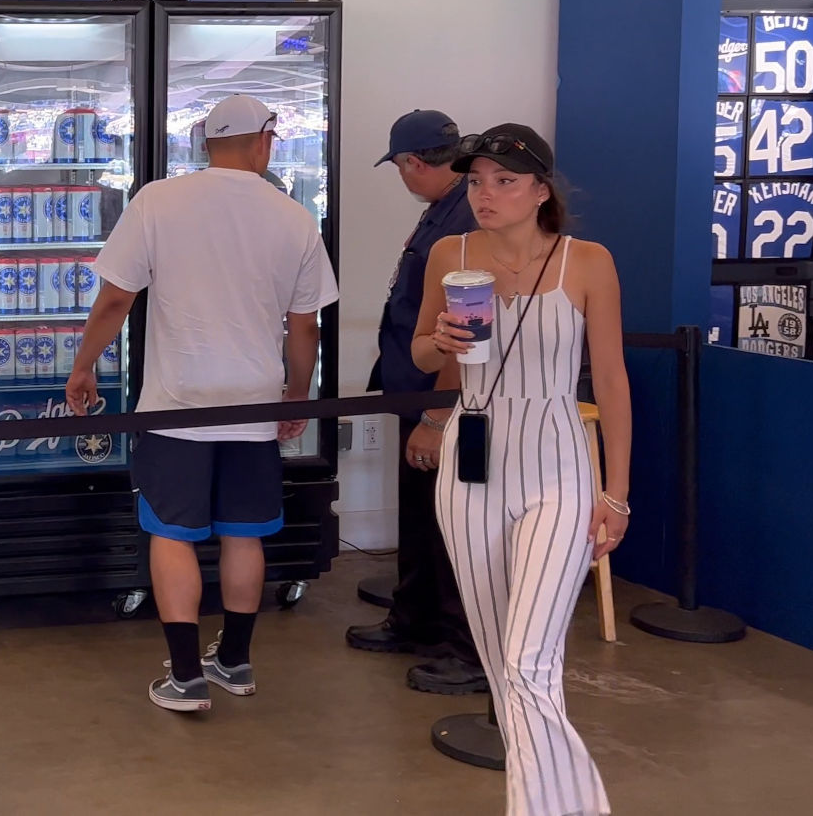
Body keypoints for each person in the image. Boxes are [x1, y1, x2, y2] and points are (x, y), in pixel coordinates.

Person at [68, 94, 339, 714]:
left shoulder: (158, 201)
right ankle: (236, 662)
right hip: (253, 402)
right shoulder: (293, 217)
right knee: (245, 534)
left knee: (173, 535)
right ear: (265, 141)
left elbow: (116, 300)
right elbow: (306, 327)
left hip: (176, 403)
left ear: (203, 144)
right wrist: (296, 395)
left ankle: (186, 676)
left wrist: (85, 367)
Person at [413, 124, 629, 815]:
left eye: (505, 180)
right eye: (477, 180)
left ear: (541, 189)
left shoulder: (587, 262)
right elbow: (420, 355)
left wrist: (616, 494)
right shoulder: (452, 254)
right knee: (506, 668)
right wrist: (438, 339)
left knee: (529, 662)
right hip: (472, 464)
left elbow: (615, 381)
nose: (486, 193)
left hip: (559, 466)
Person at [349, 110, 488, 695]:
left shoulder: (466, 222)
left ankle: (463, 649)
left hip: (448, 404)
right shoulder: (444, 212)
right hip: (418, 388)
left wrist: (435, 415)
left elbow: (465, 332)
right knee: (423, 516)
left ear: (412, 162)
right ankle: (416, 618)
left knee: (455, 524)